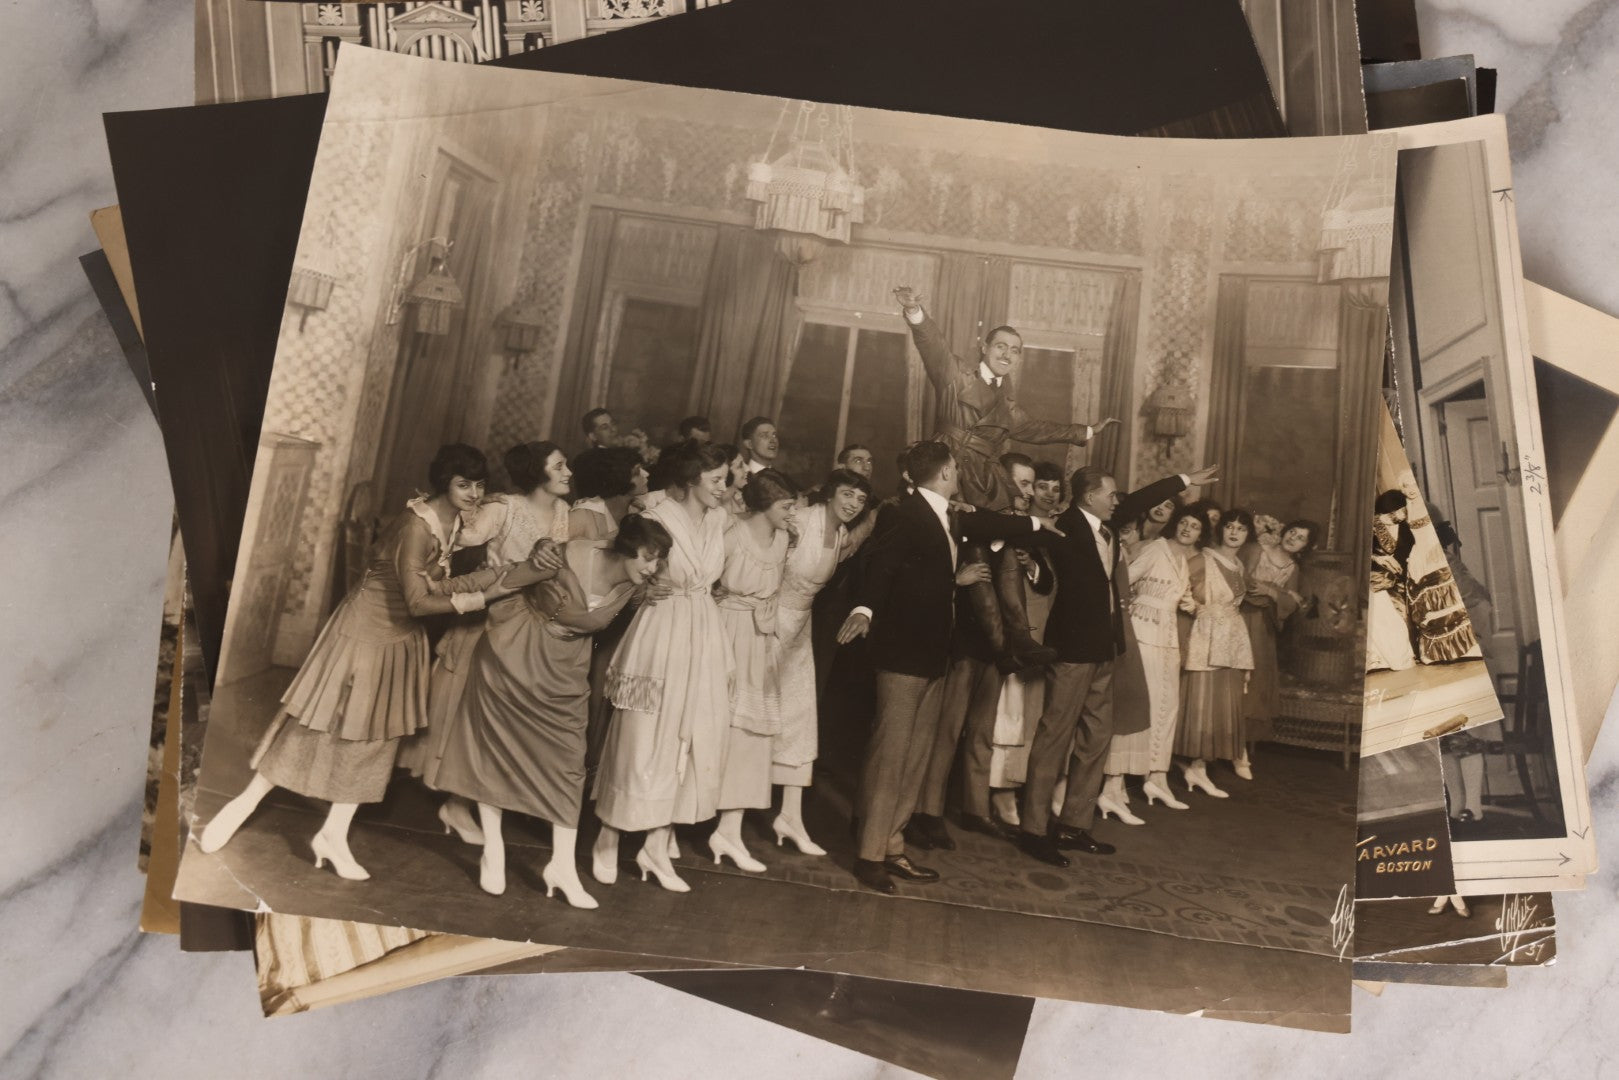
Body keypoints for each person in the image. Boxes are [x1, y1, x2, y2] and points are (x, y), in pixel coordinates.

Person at [197, 445, 523, 880]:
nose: (474, 493)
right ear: (443, 483)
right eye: (464, 484)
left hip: (401, 638)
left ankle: (333, 833)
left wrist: (494, 576)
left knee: (377, 737)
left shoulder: (458, 521)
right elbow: (419, 602)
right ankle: (244, 803)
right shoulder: (416, 525)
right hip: (364, 630)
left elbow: (435, 584)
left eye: (479, 485)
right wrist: (485, 594)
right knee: (318, 724)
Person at [836, 441, 1057, 894]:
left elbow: (991, 521)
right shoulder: (902, 513)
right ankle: (870, 855)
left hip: (934, 656)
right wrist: (864, 609)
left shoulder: (950, 514)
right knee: (891, 757)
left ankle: (893, 845)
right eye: (955, 468)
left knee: (915, 756)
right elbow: (881, 570)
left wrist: (1038, 523)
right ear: (944, 473)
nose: (958, 473)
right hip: (901, 657)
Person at [432, 516, 671, 905]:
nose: (653, 567)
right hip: (512, 655)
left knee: (569, 766)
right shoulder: (564, 556)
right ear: (627, 548)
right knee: (494, 752)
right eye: (649, 557)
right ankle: (493, 850)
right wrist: (438, 592)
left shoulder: (637, 585)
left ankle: (561, 866)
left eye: (659, 560)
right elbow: (503, 580)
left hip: (564, 672)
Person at [892, 285, 1118, 675]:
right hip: (952, 470)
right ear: (984, 347)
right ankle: (1000, 645)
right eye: (1001, 346)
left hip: (987, 477)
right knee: (976, 554)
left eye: (1015, 350)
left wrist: (1086, 431)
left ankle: (1020, 637)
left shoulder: (1007, 405)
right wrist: (915, 311)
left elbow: (1039, 429)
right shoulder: (956, 377)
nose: (1007, 355)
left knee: (1008, 548)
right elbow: (932, 344)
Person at [1016, 465, 1206, 866]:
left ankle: (1073, 825)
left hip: (1105, 649)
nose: (1117, 501)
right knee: (1054, 738)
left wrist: (1183, 481)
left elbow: (1137, 500)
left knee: (1096, 738)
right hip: (1071, 652)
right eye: (1110, 494)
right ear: (1089, 497)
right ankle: (1033, 831)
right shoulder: (1064, 526)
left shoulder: (1107, 525)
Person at [401, 441, 574, 835]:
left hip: (534, 622)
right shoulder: (504, 508)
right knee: (472, 715)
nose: (568, 473)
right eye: (559, 466)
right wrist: (432, 578)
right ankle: (458, 804)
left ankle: (496, 796)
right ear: (537, 472)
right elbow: (451, 538)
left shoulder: (565, 512)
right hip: (492, 615)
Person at [593, 441, 735, 893]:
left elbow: (714, 577)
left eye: (725, 479)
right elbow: (618, 565)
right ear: (691, 479)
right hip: (663, 632)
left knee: (691, 737)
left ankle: (656, 847)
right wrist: (640, 592)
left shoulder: (719, 519)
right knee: (643, 736)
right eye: (715, 480)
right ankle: (608, 836)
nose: (723, 487)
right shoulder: (656, 516)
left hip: (704, 633)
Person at [912, 453, 1042, 848]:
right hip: (963, 646)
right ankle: (929, 812)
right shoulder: (962, 520)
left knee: (982, 733)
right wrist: (959, 578)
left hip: (995, 651)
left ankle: (976, 810)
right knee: (948, 731)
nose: (1023, 494)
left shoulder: (1013, 538)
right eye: (1018, 485)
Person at [773, 468, 874, 856]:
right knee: (753, 716)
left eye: (860, 500)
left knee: (800, 720)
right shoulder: (798, 521)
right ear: (830, 494)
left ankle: (790, 816)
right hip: (769, 622)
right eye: (847, 494)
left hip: (800, 629)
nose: (853, 504)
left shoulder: (844, 535)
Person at [709, 468, 798, 872]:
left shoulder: (783, 539)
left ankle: (729, 830)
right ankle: (670, 829)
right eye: (786, 506)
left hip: (760, 640)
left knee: (751, 736)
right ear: (764, 505)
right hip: (724, 633)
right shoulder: (732, 535)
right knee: (712, 727)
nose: (792, 513)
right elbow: (706, 586)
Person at [1098, 503, 1205, 821]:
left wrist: (1192, 604)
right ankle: (1112, 787)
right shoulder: (1157, 548)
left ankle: (1156, 779)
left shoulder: (1183, 560)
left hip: (1168, 641)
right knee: (1136, 709)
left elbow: (1180, 597)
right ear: (1175, 524)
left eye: (1195, 526)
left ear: (1201, 534)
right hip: (1143, 636)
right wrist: (1129, 616)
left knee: (1165, 707)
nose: (1187, 528)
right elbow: (1122, 580)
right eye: (1183, 522)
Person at [1175, 507, 1257, 798]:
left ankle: (1199, 766)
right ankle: (1194, 766)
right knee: (1203, 697)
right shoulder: (1203, 559)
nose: (1234, 532)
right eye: (1229, 526)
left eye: (1241, 528)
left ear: (1247, 535)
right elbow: (1178, 589)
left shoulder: (1239, 566)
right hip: (1206, 637)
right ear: (1220, 529)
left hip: (1232, 639)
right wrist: (1196, 609)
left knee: (1222, 699)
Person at [1239, 516, 1317, 778]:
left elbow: (1291, 605)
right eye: (1293, 531)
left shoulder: (1293, 569)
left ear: (1305, 547)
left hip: (1262, 629)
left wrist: (1272, 593)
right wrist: (1277, 591)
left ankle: (1240, 750)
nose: (1293, 538)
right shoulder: (1256, 549)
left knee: (1253, 684)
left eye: (1301, 538)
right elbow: (1243, 581)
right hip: (1238, 617)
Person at [1367, 489, 1418, 672]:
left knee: (1405, 614)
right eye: (1387, 515)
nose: (1391, 519)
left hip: (1400, 578)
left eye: (1399, 513)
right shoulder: (1370, 526)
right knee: (1385, 615)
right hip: (1376, 578)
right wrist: (1378, 558)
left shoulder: (1405, 527)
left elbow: (1408, 551)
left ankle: (1406, 655)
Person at [568, 446, 650, 540]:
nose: (646, 474)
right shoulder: (582, 515)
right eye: (637, 473)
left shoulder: (638, 508)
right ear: (618, 479)